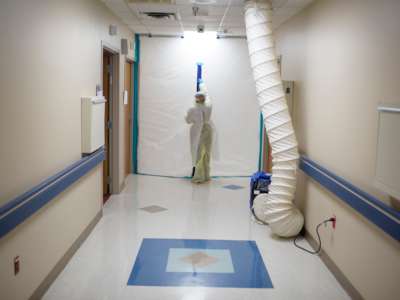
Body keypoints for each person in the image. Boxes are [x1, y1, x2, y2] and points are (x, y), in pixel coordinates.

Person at [185, 91, 213, 183]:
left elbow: (188, 120)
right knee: (203, 153)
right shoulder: (207, 107)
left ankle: (201, 176)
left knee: (201, 153)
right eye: (198, 96)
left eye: (200, 96)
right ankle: (203, 176)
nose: (199, 98)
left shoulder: (193, 109)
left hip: (201, 131)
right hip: (204, 130)